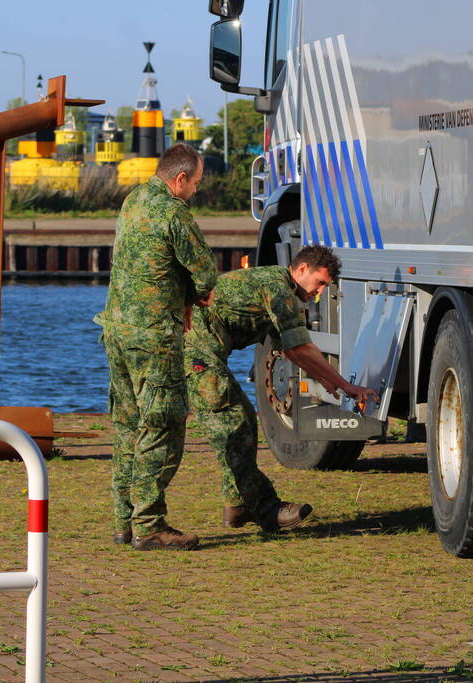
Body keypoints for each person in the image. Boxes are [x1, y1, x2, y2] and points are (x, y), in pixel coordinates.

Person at [185, 245, 378, 531]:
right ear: (301, 270)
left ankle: (238, 505)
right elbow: (300, 349)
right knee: (235, 424)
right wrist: (345, 385)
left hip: (199, 352)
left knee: (240, 426)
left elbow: (291, 350)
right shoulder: (278, 290)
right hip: (191, 352)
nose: (320, 293)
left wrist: (328, 380)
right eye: (320, 283)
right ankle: (265, 508)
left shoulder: (277, 287)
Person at [95, 144, 217, 551]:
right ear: (179, 179)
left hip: (116, 331)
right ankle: (148, 524)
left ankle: (123, 520)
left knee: (128, 425)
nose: (195, 191)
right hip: (153, 336)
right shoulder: (174, 213)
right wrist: (194, 298)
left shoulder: (133, 200)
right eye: (195, 183)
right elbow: (204, 272)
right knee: (163, 425)